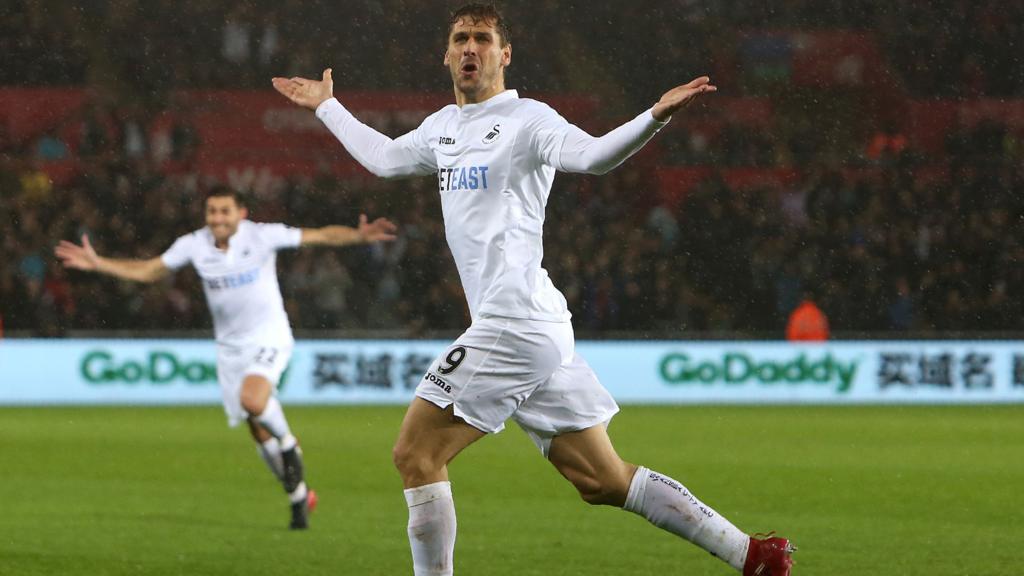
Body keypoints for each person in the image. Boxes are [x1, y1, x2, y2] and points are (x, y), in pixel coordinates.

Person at [272, 3, 794, 573]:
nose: (471, 48)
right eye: (461, 38)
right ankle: (752, 555)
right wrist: (328, 107)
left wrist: (654, 116)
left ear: (505, 54)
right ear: (446, 54)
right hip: (531, 325)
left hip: (513, 321)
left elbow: (592, 157)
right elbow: (385, 160)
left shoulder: (529, 120)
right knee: (602, 480)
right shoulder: (443, 128)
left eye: (483, 39)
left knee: (416, 454)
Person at [55, 186, 398, 530]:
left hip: (270, 337)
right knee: (257, 430)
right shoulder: (193, 244)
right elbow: (149, 271)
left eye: (225, 211)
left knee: (254, 401)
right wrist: (99, 263)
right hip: (230, 350)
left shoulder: (263, 236)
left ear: (241, 213)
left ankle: (290, 443)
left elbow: (319, 236)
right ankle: (299, 496)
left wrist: (357, 235)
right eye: (212, 212)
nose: (217, 218)